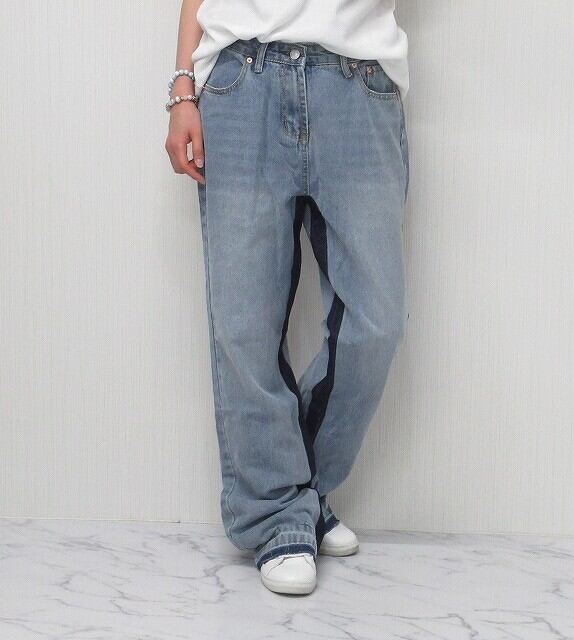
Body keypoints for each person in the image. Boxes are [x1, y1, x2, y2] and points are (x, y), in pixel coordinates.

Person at [165, 0, 410, 595]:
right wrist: (182, 88)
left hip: (357, 81)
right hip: (241, 81)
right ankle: (279, 515)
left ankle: (294, 494)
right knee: (244, 322)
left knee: (375, 322)